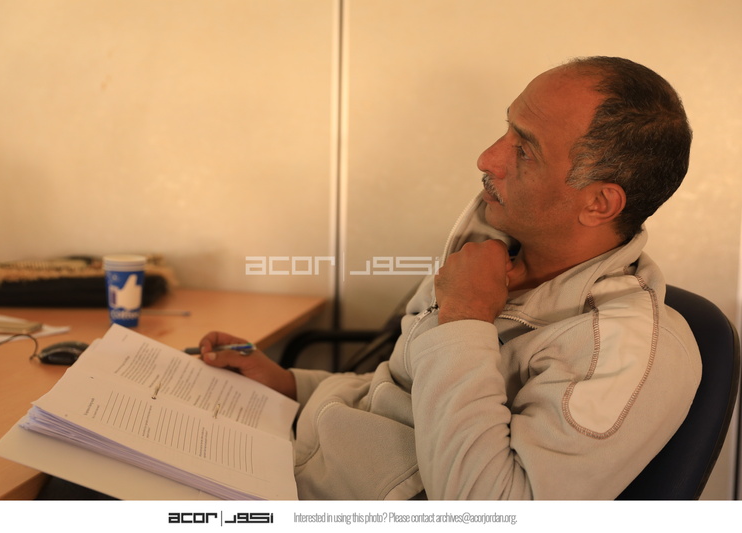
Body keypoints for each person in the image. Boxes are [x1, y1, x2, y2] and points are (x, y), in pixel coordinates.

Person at [198, 56, 701, 499]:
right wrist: (290, 385)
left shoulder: (626, 351)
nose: (487, 159)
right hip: (292, 464)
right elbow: (401, 394)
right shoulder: (490, 257)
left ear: (599, 203)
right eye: (507, 129)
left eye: (524, 150)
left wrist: (465, 320)